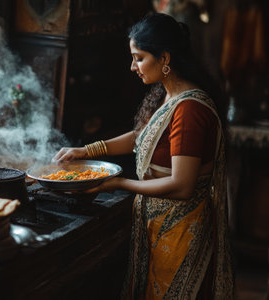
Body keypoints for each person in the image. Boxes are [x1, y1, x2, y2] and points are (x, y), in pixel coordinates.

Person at [52, 12, 234, 299]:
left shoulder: (189, 110)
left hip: (182, 231)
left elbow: (183, 185)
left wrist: (119, 184)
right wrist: (86, 150)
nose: (132, 66)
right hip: (161, 225)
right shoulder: (169, 95)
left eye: (139, 57)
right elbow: (140, 137)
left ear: (164, 58)